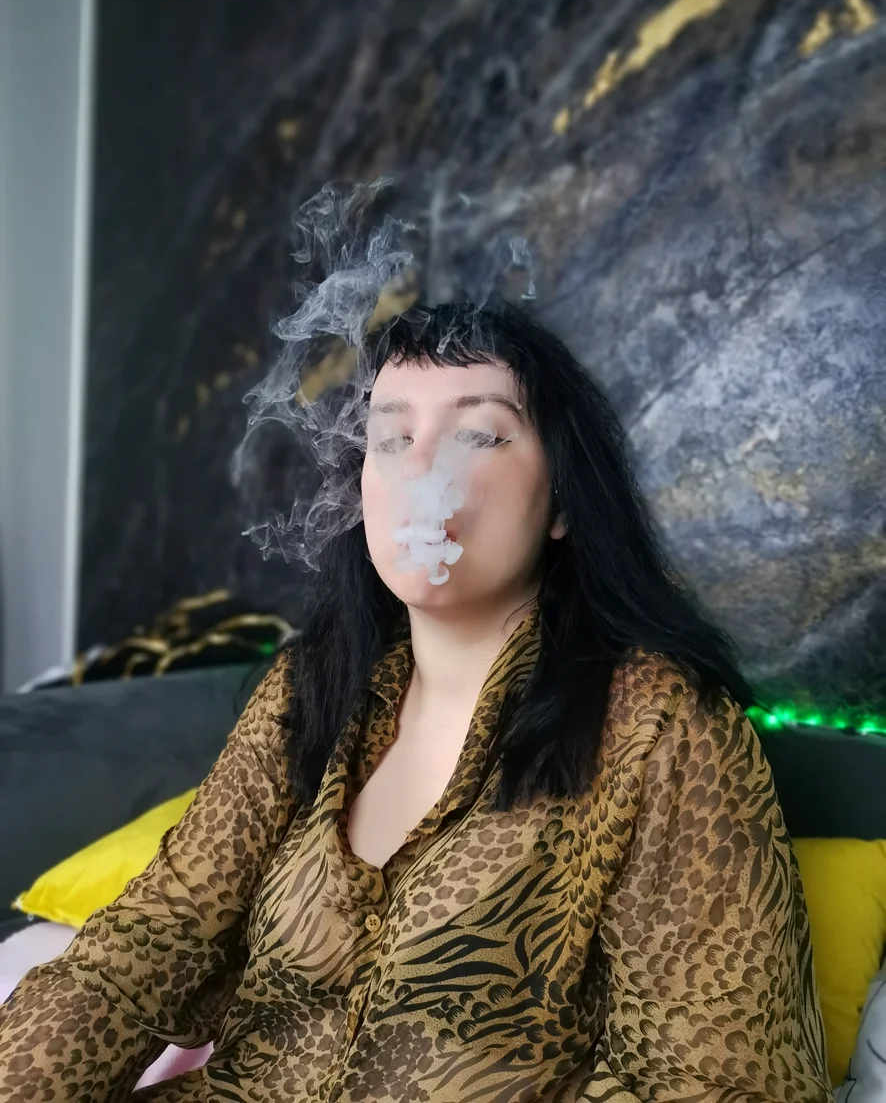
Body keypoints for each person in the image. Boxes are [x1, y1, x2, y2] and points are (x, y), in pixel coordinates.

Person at [0, 301, 833, 1102]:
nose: (422, 468)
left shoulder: (661, 726)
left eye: (480, 434)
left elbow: (717, 1081)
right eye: (393, 438)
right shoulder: (311, 688)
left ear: (563, 501)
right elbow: (141, 947)